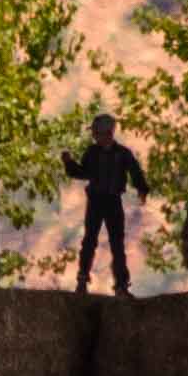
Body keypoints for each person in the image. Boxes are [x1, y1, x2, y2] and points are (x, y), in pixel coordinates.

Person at [61, 113, 150, 297]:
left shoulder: (123, 154)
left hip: (113, 202)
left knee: (117, 244)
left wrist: (142, 188)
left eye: (96, 133)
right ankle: (83, 279)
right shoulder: (92, 152)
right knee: (89, 241)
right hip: (96, 201)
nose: (94, 136)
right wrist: (69, 164)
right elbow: (83, 172)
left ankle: (121, 285)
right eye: (95, 133)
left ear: (107, 133)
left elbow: (135, 172)